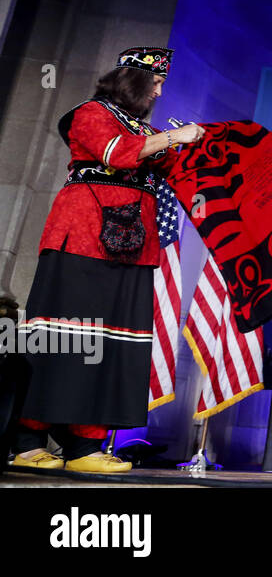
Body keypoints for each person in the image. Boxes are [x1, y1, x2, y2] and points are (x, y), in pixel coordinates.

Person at [10, 48, 205, 473]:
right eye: (155, 82)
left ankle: (84, 446)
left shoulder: (146, 130)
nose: (159, 90)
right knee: (64, 336)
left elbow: (180, 169)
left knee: (116, 343)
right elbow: (117, 153)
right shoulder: (91, 113)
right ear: (132, 81)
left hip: (134, 245)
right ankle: (27, 440)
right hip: (81, 238)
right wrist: (174, 136)